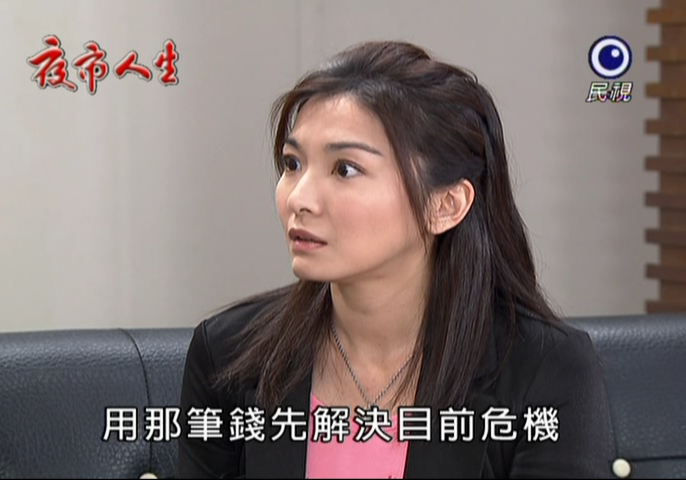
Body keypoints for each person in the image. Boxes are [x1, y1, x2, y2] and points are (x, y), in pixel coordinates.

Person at [177, 40, 611, 479]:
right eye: (293, 164)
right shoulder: (226, 356)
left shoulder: (546, 369)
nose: (299, 199)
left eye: (345, 169)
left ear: (445, 205)